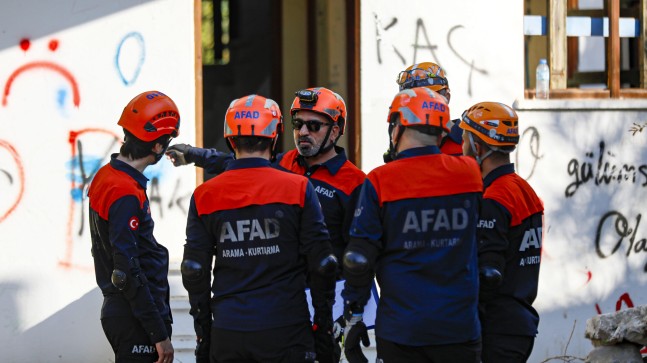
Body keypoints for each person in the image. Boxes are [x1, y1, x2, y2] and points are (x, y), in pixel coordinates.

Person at [167, 87, 366, 362]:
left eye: (314, 125)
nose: (303, 132)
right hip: (282, 309)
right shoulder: (284, 165)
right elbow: (241, 162)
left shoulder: (354, 183)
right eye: (297, 124)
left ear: (335, 130)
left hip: (324, 304)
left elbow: (360, 254)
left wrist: (352, 314)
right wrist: (194, 154)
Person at [341, 87, 483, 363]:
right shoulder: (469, 173)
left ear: (398, 127)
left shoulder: (380, 180)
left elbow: (359, 258)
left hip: (401, 331)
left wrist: (354, 315)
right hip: (459, 327)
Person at [88, 90, 180, 363]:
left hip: (123, 311)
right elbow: (126, 269)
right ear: (157, 147)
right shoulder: (124, 192)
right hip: (133, 317)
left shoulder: (107, 175)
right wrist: (158, 333)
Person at [459, 102, 543, 363]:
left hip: (495, 329)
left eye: (464, 139)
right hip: (518, 324)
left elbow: (489, 273)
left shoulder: (494, 197)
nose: (461, 147)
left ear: (478, 146)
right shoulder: (523, 189)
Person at [395, 61, 463, 156]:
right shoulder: (403, 143)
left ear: (447, 97)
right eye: (413, 101)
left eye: (429, 97)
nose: (421, 106)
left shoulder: (470, 142)